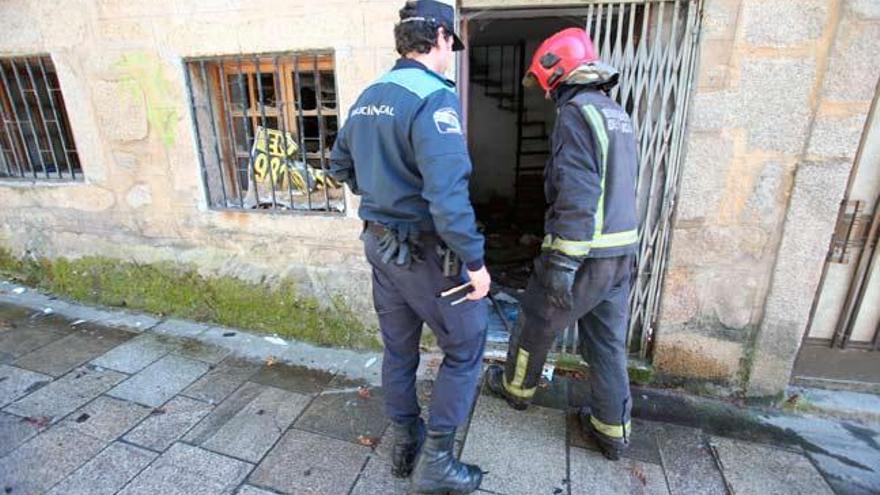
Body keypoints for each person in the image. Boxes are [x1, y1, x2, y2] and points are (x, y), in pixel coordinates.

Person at [329, 1, 489, 493]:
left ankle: (405, 442)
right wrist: (475, 262)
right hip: (424, 253)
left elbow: (338, 166)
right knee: (466, 346)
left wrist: (383, 195)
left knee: (399, 350)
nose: (450, 56)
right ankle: (438, 464)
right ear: (439, 37)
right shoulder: (432, 99)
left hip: (380, 246)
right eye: (450, 45)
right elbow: (447, 197)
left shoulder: (370, 95)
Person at [484, 27, 640, 461]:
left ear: (558, 71)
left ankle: (516, 390)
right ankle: (612, 431)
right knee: (606, 343)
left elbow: (577, 192)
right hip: (620, 254)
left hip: (584, 254)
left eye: (545, 80)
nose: (546, 93)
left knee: (535, 319)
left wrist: (562, 265)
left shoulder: (576, 115)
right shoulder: (614, 113)